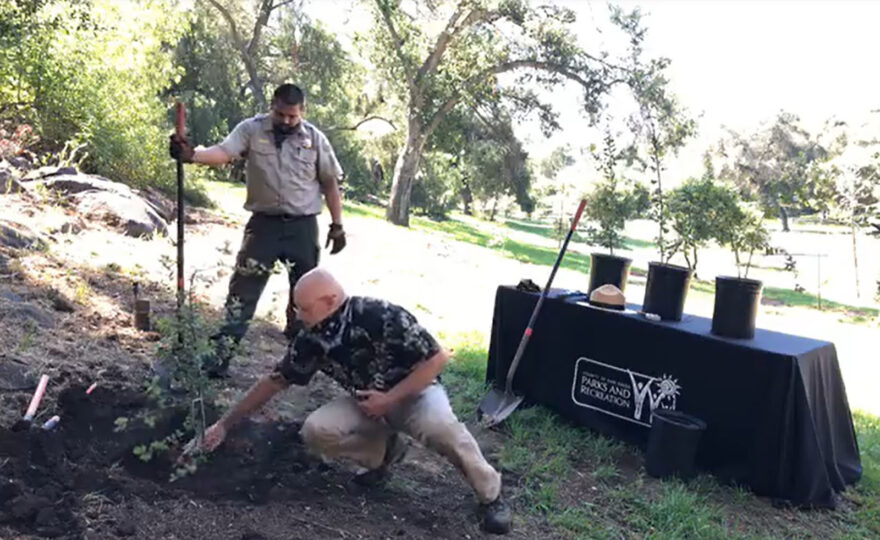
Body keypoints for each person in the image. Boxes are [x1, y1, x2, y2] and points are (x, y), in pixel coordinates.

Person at [185, 268, 513, 534]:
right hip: (366, 402)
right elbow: (274, 381)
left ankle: (491, 495)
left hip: (415, 393)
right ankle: (385, 455)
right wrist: (225, 424)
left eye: (304, 307)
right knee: (316, 431)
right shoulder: (311, 337)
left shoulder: (380, 315)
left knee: (442, 428)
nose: (297, 315)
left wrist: (390, 399)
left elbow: (437, 359)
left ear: (330, 300)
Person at [169, 83, 346, 377]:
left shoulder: (315, 139)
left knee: (308, 296)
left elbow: (330, 182)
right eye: (281, 114)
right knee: (243, 292)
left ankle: (304, 361)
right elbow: (225, 152)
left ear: (302, 112)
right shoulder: (251, 130)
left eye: (293, 116)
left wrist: (337, 225)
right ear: (272, 106)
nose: (287, 121)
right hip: (263, 226)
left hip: (302, 227)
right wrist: (192, 155)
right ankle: (219, 358)